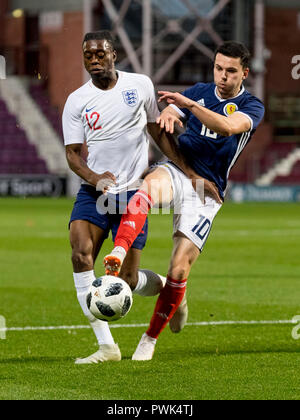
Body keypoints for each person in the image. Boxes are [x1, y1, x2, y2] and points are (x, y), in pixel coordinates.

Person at [63, 30, 218, 365]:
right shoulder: (77, 100)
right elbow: (73, 155)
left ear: (113, 54)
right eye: (88, 54)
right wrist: (95, 178)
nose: (94, 59)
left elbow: (156, 131)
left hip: (134, 193)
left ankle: (167, 286)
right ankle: (107, 347)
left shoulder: (140, 85)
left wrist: (190, 174)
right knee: (81, 254)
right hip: (95, 192)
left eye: (100, 53)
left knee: (128, 282)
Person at [104, 41, 265, 361]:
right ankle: (119, 250)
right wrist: (167, 113)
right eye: (218, 68)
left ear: (244, 73)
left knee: (178, 271)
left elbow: (228, 126)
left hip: (208, 192)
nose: (222, 76)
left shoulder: (252, 106)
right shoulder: (200, 90)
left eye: (230, 71)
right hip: (180, 170)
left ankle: (149, 339)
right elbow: (169, 111)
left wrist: (189, 105)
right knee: (146, 190)